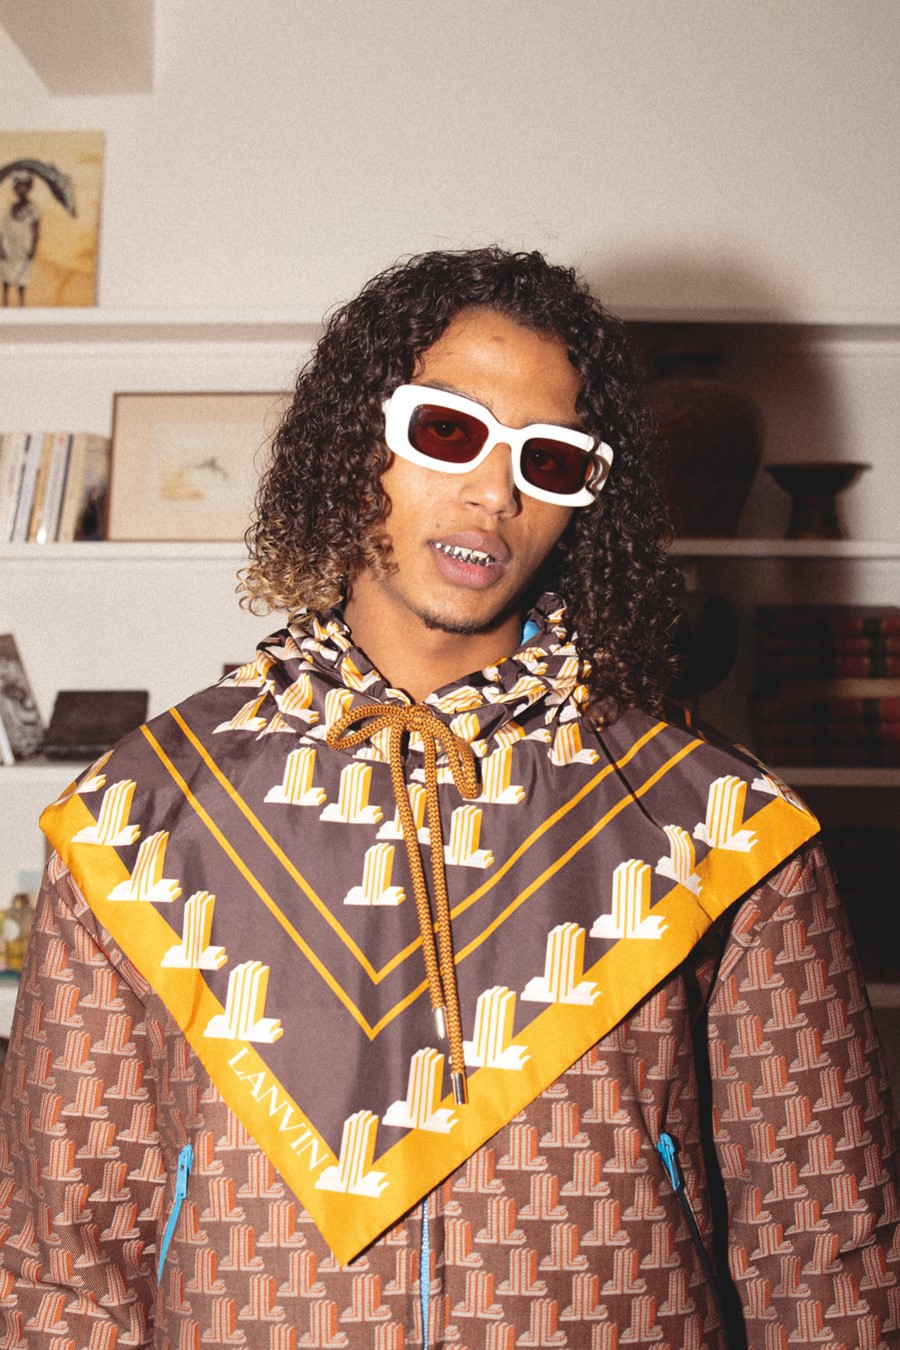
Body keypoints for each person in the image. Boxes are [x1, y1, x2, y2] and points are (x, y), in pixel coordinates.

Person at [0, 247, 897, 1348]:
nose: (495, 492)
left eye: (549, 458)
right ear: (355, 441)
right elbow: (62, 1263)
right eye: (447, 430)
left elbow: (825, 1251)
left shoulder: (715, 823)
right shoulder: (140, 817)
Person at [0, 174, 40, 307]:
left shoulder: (33, 208)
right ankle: (5, 304)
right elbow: (2, 229)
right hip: (9, 247)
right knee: (6, 277)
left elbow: (36, 231)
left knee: (22, 279)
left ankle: (21, 305)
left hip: (24, 247)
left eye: (24, 187)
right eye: (18, 187)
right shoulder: (10, 207)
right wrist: (1, 248)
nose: (21, 190)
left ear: (29, 189)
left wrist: (33, 249)